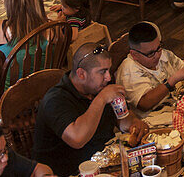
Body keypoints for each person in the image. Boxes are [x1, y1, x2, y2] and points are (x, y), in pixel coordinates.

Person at [33, 43, 147, 176]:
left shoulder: (101, 85)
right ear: (81, 74)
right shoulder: (55, 100)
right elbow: (77, 139)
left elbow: (123, 122)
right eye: (102, 71)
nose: (108, 77)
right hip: (70, 172)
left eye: (109, 70)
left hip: (106, 165)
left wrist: (133, 123)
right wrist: (102, 98)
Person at [117, 21, 184, 115]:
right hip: (153, 118)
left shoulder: (162, 54)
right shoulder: (129, 70)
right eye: (150, 53)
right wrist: (171, 81)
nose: (157, 55)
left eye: (158, 48)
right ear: (134, 54)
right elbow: (144, 104)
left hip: (176, 106)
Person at [0, 0, 49, 81]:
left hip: (9, 94)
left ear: (9, 4)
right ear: (39, 3)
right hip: (44, 87)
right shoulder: (52, 28)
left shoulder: (0, 27)